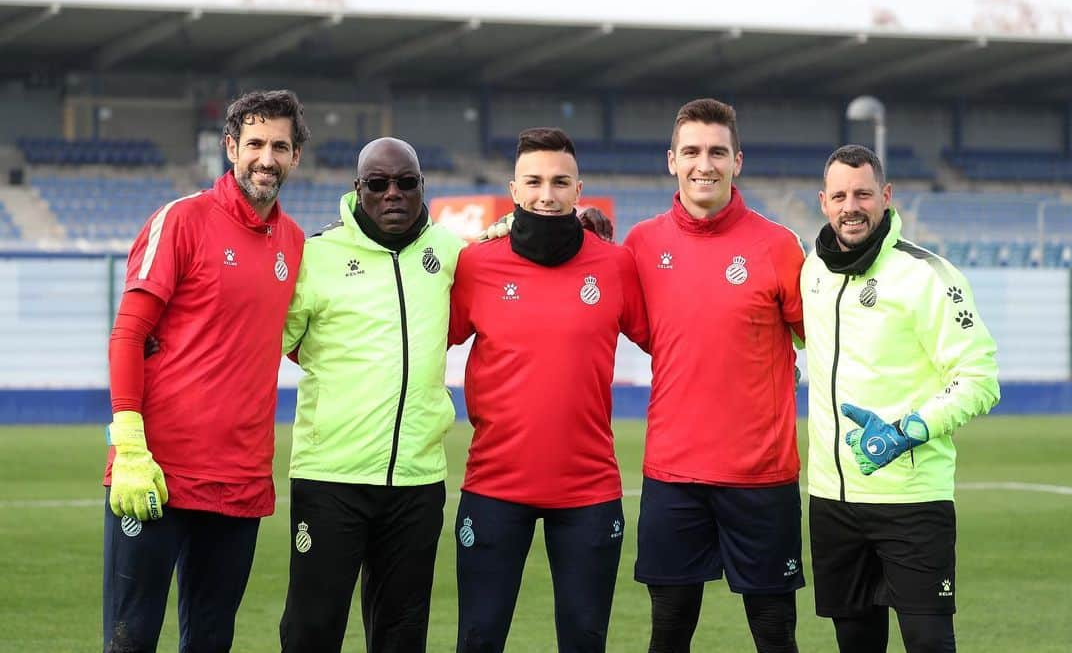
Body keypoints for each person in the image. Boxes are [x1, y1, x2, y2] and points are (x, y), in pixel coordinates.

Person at [102, 89, 309, 652]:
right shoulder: (183, 220)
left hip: (240, 480)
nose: (266, 158)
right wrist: (130, 446)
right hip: (157, 474)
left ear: (296, 157)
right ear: (230, 147)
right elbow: (128, 334)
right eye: (255, 144)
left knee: (212, 641)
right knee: (130, 640)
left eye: (280, 146)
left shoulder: (294, 243)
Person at [449, 127, 650, 653]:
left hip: (588, 491)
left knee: (585, 641)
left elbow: (671, 340)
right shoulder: (476, 264)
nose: (546, 194)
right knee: (477, 638)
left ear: (578, 190)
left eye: (560, 182)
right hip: (494, 487)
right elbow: (419, 340)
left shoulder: (616, 264)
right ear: (513, 190)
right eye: (534, 182)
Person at [622, 99, 805, 653]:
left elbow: (821, 336)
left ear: (738, 161)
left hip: (761, 475)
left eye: (717, 152)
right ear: (671, 161)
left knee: (775, 633)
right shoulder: (641, 245)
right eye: (693, 151)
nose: (705, 164)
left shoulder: (777, 245)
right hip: (674, 473)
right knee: (670, 629)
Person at [802, 144, 1000, 653]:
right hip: (833, 501)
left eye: (864, 193)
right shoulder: (814, 273)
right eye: (841, 195)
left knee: (929, 643)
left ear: (885, 197)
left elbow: (979, 378)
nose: (852, 206)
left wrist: (906, 431)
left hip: (911, 502)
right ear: (823, 202)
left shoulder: (928, 276)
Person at [278, 137, 465, 653]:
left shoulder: (448, 253)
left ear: (422, 186)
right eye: (378, 184)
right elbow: (264, 338)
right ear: (357, 188)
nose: (393, 194)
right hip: (330, 477)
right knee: (312, 629)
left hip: (417, 480)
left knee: (402, 634)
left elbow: (512, 267)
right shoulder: (316, 256)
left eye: (406, 183)